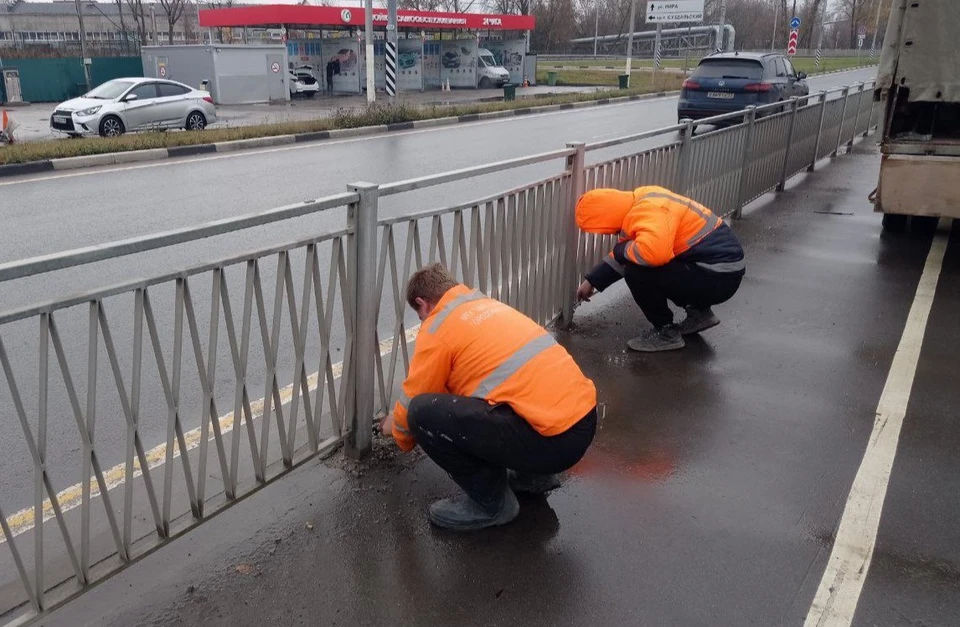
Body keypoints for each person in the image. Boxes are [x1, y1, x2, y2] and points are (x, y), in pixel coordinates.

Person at [380, 263, 598, 532]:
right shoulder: (487, 306)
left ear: (422, 304)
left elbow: (418, 397)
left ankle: (492, 505)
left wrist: (395, 429)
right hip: (583, 422)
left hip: (552, 442)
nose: (423, 321)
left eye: (420, 315)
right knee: (507, 392)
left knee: (421, 413)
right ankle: (533, 477)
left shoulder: (438, 328)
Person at [575, 185, 745, 353]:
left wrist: (621, 250)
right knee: (648, 259)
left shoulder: (650, 211)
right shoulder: (644, 200)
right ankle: (699, 313)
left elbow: (651, 254)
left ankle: (666, 333)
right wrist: (593, 280)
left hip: (718, 277)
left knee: (636, 272)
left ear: (608, 218)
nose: (611, 233)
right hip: (722, 272)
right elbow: (632, 253)